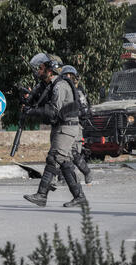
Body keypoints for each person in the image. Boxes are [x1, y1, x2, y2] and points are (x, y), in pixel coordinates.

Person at [22, 53, 89, 209]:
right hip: (61, 127)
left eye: (40, 68)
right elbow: (43, 106)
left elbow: (52, 112)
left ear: (50, 70)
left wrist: (32, 112)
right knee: (65, 163)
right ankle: (79, 197)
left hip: (67, 127)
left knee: (54, 158)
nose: (38, 71)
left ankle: (41, 195)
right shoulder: (51, 85)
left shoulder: (60, 86)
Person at [60, 65, 93, 185]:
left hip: (76, 125)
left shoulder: (78, 92)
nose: (68, 78)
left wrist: (72, 113)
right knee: (61, 151)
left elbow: (85, 111)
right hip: (64, 125)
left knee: (73, 152)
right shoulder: (61, 90)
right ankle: (65, 176)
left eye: (70, 76)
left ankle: (87, 172)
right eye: (66, 76)